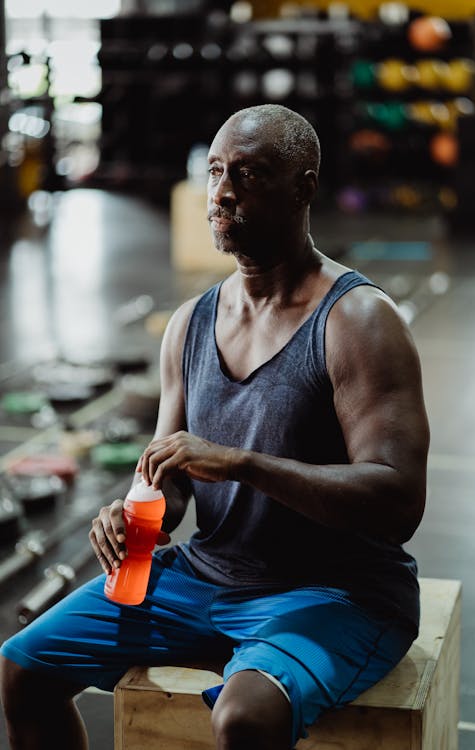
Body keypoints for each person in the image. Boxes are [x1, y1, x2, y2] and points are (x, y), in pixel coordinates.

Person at [0, 104, 429, 750]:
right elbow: (167, 483)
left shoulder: (359, 322)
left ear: (304, 188)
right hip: (209, 576)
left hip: (336, 593)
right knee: (22, 668)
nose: (223, 192)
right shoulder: (191, 324)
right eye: (217, 172)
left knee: (245, 718)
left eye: (250, 175)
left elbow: (397, 503)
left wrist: (241, 463)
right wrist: (130, 515)